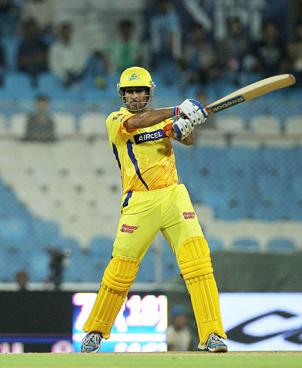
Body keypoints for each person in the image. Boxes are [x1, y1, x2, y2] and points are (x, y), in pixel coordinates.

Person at [80, 66, 227, 353]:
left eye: (140, 91)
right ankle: (96, 330)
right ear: (122, 94)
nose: (135, 96)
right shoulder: (116, 120)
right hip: (139, 202)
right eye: (130, 92)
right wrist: (177, 110)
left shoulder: (162, 121)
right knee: (120, 271)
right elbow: (139, 122)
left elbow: (186, 140)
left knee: (198, 264)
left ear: (149, 93)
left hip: (173, 196)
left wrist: (185, 128)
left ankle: (212, 335)